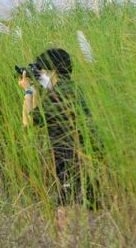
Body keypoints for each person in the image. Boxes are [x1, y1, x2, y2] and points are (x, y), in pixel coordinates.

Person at [19, 48, 96, 208]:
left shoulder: (57, 95)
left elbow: (28, 123)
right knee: (88, 205)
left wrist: (28, 90)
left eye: (42, 69)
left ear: (52, 71)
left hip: (69, 157)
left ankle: (68, 232)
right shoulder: (72, 88)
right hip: (87, 155)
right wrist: (38, 83)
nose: (40, 72)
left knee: (65, 206)